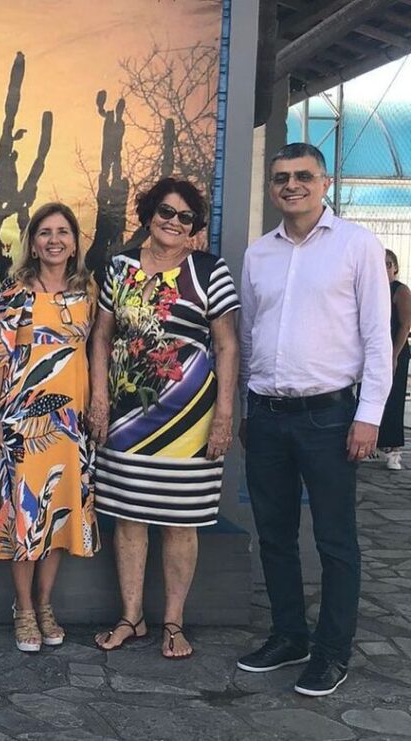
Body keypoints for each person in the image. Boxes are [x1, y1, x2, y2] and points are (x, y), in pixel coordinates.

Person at [237, 143, 391, 697]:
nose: (292, 185)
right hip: (267, 414)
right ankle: (289, 637)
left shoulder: (356, 245)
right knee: (274, 535)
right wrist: (247, 406)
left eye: (303, 175)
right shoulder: (259, 254)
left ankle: (331, 653)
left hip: (330, 416)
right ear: (271, 187)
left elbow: (378, 338)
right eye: (281, 177)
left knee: (334, 541)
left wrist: (369, 416)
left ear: (324, 183)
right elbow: (249, 335)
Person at [89, 178, 240, 659]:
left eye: (185, 217)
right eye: (166, 212)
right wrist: (98, 399)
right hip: (126, 420)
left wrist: (225, 415)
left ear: (195, 227)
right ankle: (131, 618)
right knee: (129, 518)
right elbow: (101, 337)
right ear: (150, 213)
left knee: (180, 522)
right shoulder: (119, 268)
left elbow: (227, 346)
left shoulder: (210, 271)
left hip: (190, 422)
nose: (174, 222)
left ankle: (173, 622)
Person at [0, 202, 99, 653]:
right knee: (25, 516)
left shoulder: (88, 291)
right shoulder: (15, 292)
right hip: (21, 423)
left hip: (70, 424)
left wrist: (97, 407)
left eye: (62, 232)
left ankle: (46, 604)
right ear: (33, 243)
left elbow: (96, 350)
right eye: (45, 232)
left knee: (58, 513)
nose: (54, 240)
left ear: (74, 243)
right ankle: (24, 608)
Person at [377, 249, 411, 470]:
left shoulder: (400, 290)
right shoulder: (373, 289)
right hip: (375, 351)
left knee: (394, 397)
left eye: (389, 264)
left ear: (395, 267)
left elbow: (405, 325)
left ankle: (394, 449)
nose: (385, 267)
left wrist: (393, 356)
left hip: (394, 350)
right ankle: (376, 444)